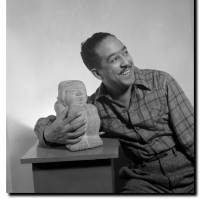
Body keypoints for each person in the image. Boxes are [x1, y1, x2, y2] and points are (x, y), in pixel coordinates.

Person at [34, 32, 194, 193]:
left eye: (125, 52)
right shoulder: (96, 106)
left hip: (190, 173)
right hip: (146, 181)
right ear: (98, 74)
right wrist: (48, 134)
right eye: (114, 59)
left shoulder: (161, 82)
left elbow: (193, 138)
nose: (126, 62)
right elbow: (51, 122)